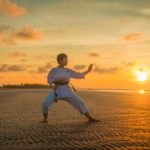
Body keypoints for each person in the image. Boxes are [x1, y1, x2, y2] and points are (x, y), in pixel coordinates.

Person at [39, 53, 100, 123]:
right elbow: (49, 81)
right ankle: (45, 119)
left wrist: (88, 71)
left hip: (67, 90)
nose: (67, 61)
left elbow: (78, 75)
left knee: (79, 102)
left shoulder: (68, 70)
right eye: (65, 59)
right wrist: (56, 80)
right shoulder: (53, 70)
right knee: (45, 103)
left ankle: (90, 118)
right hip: (56, 90)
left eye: (67, 59)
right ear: (60, 61)